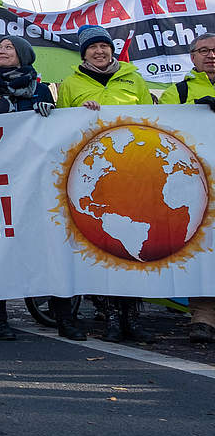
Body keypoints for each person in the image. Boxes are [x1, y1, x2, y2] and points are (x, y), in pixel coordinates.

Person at [0, 36, 72, 341]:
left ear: (23, 55)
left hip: (36, 179)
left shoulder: (40, 89)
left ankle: (65, 316)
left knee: (49, 247)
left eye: (9, 48)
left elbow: (53, 132)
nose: (2, 51)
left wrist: (50, 113)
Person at [58, 24, 154, 342]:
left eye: (104, 46)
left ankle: (133, 317)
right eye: (93, 48)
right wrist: (78, 114)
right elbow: (61, 125)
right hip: (98, 175)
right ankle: (112, 316)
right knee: (110, 243)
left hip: (133, 172)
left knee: (134, 243)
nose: (100, 52)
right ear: (83, 53)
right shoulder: (71, 83)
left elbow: (153, 118)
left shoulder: (133, 78)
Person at [159, 33, 215, 343]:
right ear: (192, 57)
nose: (211, 55)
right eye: (203, 51)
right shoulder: (176, 93)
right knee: (204, 251)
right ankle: (203, 317)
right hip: (197, 186)